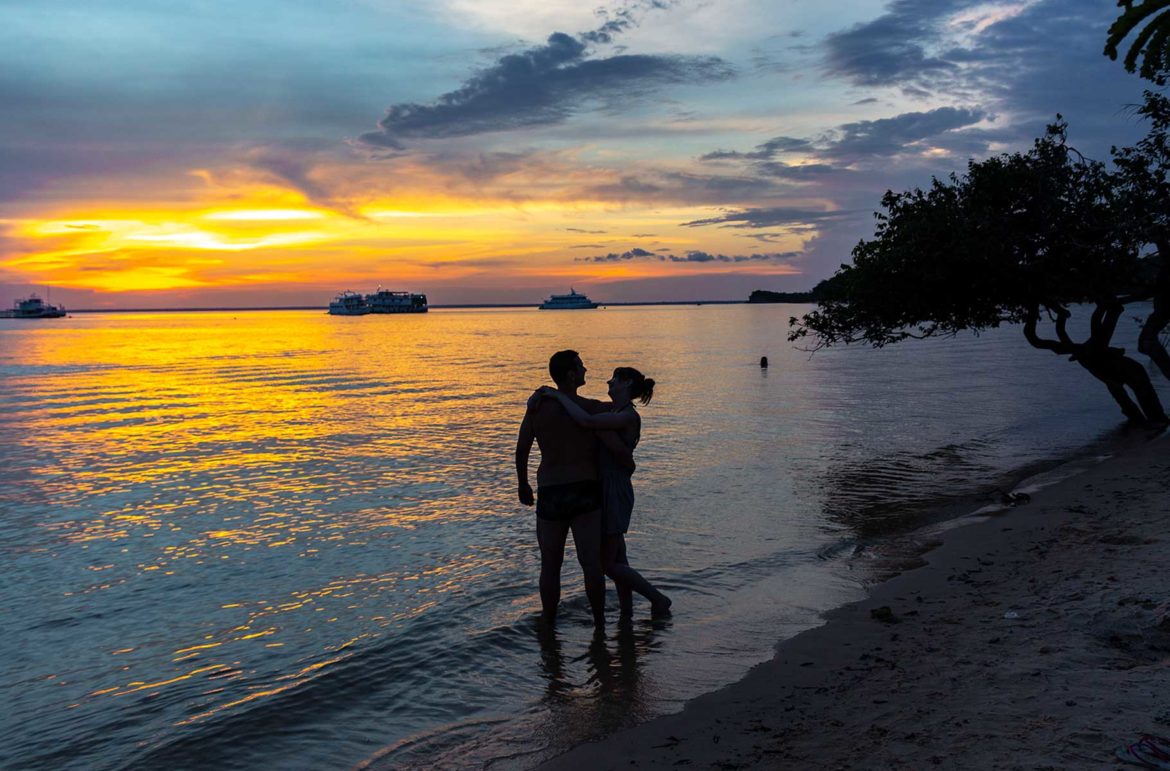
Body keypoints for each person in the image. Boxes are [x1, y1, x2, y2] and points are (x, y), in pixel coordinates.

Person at [538, 367, 672, 618]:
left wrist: (557, 396)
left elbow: (587, 421)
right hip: (607, 485)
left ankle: (658, 599)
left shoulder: (627, 416)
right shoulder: (615, 412)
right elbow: (591, 413)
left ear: (626, 383)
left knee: (608, 564)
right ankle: (626, 613)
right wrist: (543, 396)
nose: (608, 381)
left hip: (614, 488)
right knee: (618, 557)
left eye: (614, 378)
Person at [516, 350, 626, 628]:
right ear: (570, 375)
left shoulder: (538, 408)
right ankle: (600, 624)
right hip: (584, 491)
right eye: (581, 366)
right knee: (591, 564)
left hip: (552, 491)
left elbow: (522, 447)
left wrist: (523, 483)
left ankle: (548, 625)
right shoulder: (589, 407)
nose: (586, 370)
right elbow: (624, 408)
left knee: (550, 565)